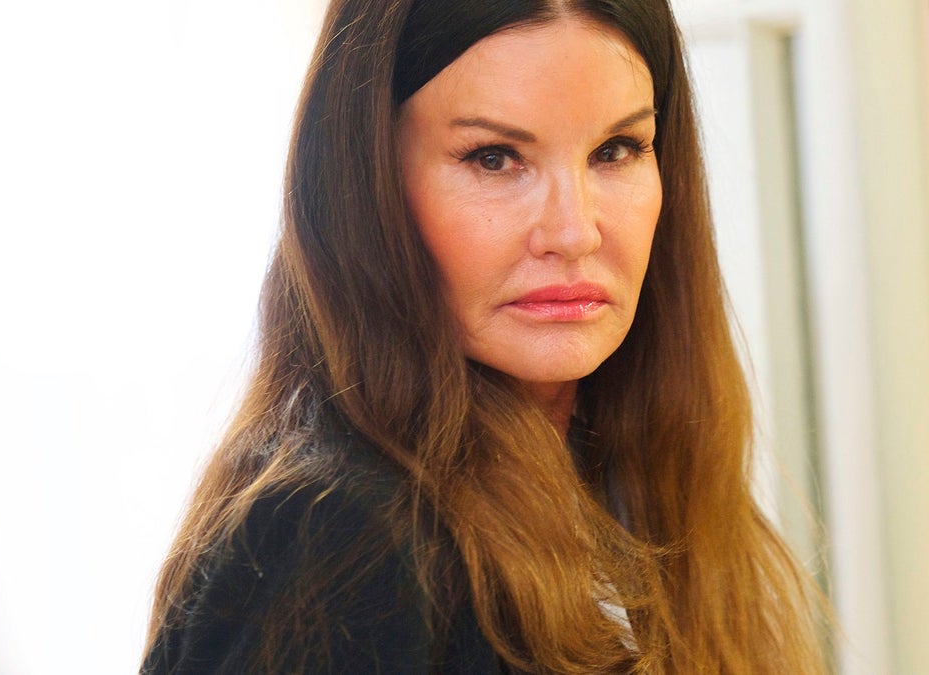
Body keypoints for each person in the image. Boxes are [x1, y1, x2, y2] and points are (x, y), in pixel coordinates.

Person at [142, 0, 827, 672]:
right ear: (367, 185)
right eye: (494, 158)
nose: (574, 231)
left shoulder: (630, 484)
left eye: (615, 151)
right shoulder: (339, 535)